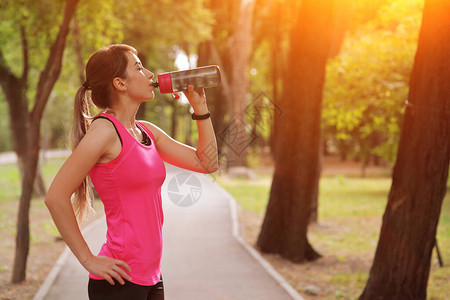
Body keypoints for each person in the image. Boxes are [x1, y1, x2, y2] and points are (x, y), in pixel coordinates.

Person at [45, 44, 218, 300]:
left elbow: (207, 163)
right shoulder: (104, 132)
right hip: (120, 280)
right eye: (138, 67)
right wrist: (88, 260)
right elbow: (55, 197)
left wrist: (200, 108)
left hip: (151, 276)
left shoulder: (146, 131)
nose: (149, 74)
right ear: (120, 84)